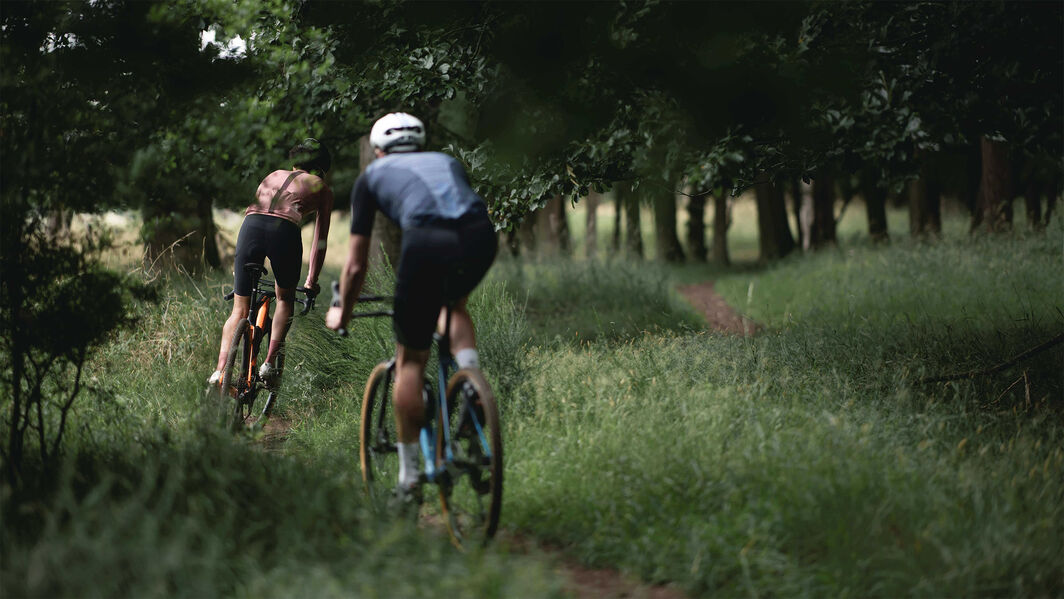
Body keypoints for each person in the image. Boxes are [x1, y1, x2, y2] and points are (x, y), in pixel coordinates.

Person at [325, 113, 497, 501]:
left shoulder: (369, 178)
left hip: (427, 242)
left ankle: (408, 480)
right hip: (479, 236)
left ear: (376, 150)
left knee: (411, 360)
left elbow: (354, 265)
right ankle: (471, 381)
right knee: (451, 306)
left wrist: (343, 311)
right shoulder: (448, 162)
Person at [209, 138, 334, 388]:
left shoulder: (273, 174)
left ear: (295, 161)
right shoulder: (321, 187)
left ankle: (219, 372)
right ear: (321, 168)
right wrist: (311, 282)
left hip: (250, 228)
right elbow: (320, 240)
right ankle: (268, 364)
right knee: (285, 299)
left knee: (238, 310)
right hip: (283, 232)